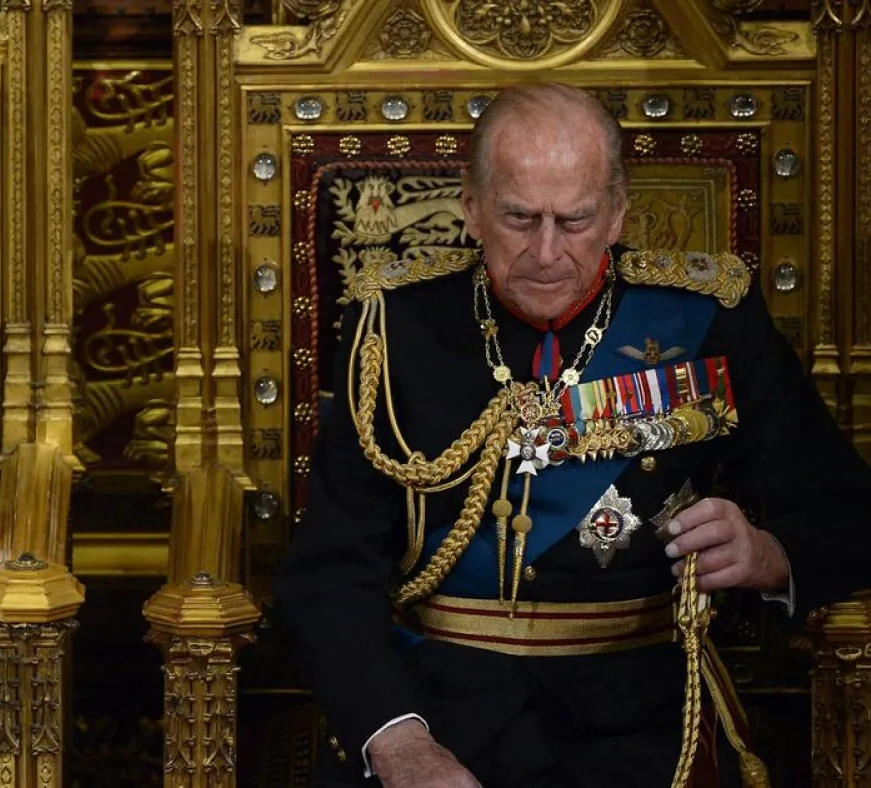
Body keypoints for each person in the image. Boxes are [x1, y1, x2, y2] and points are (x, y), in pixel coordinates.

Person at [274, 82, 871, 788]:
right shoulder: (392, 330)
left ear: (618, 213)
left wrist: (768, 554)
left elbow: (849, 517)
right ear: (471, 207)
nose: (547, 252)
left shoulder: (705, 322)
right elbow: (330, 572)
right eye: (520, 218)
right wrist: (398, 742)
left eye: (576, 219)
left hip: (641, 717)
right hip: (440, 706)